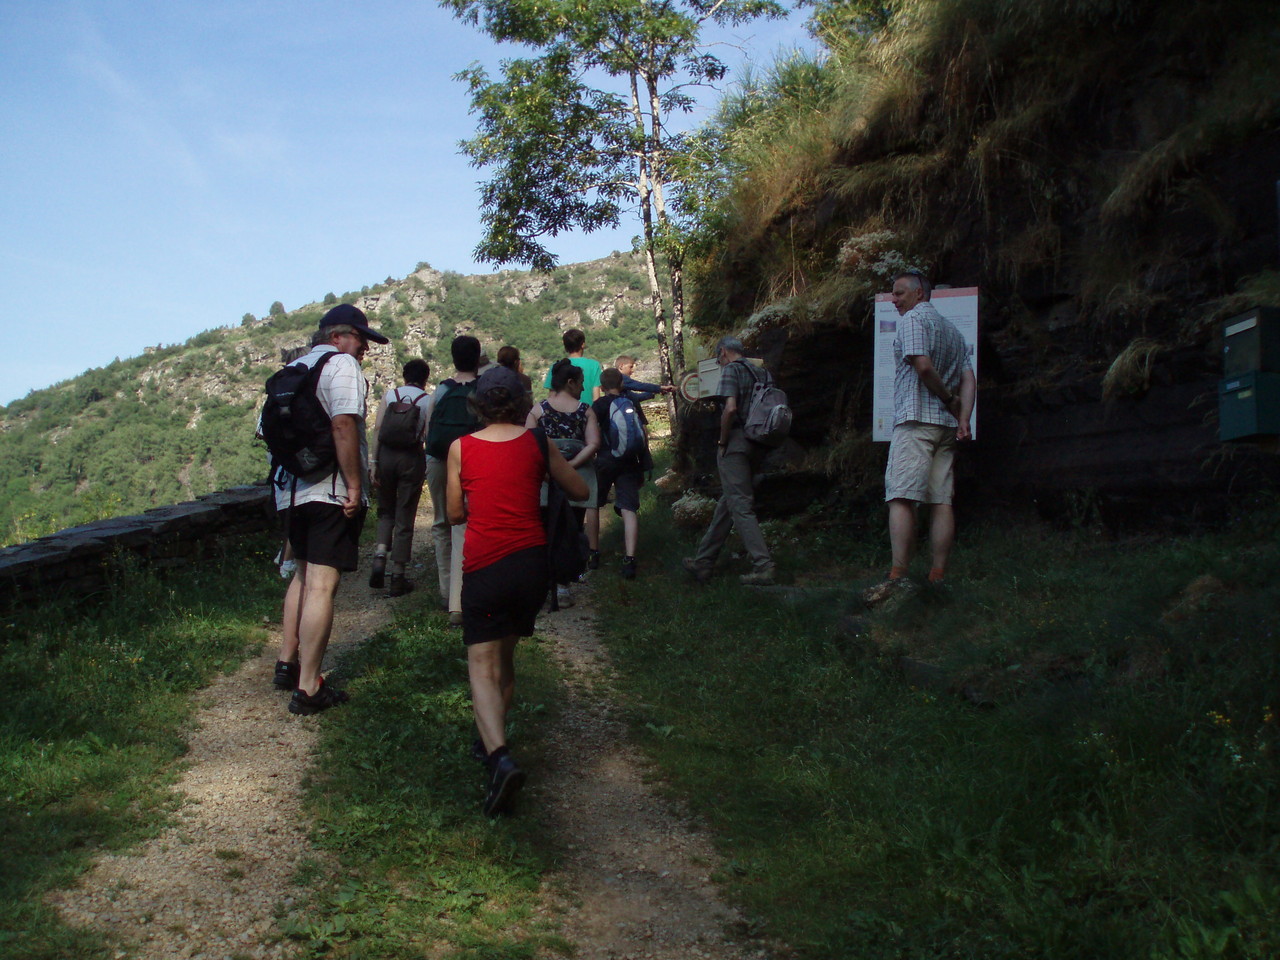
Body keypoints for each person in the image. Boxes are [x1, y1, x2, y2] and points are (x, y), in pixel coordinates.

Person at [446, 365, 587, 816]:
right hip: (530, 566)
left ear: (479, 405)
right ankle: (489, 739)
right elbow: (580, 489)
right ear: (522, 403)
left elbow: (452, 514)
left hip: (486, 565)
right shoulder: (536, 443)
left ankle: (500, 758)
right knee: (505, 659)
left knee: (481, 666)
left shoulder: (460, 449)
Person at [273, 303, 389, 714]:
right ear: (339, 337)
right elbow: (344, 424)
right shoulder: (340, 365)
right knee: (322, 584)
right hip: (329, 491)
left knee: (302, 576)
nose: (365, 351)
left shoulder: (294, 369)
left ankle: (287, 661)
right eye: (361, 341)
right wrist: (355, 484)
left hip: (289, 490)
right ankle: (308, 688)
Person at [883, 271, 975, 584]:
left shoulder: (912, 320)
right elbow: (969, 379)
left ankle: (898, 576)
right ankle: (937, 575)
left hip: (916, 421)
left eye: (898, 293)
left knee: (901, 497)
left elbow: (922, 366)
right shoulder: (954, 332)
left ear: (919, 293)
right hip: (946, 428)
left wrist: (949, 399)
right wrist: (962, 419)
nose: (894, 300)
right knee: (941, 500)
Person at [681, 337, 775, 587]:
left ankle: (763, 565)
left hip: (736, 443)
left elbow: (730, 408)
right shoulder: (761, 372)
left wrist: (722, 441)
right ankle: (704, 562)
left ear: (723, 352)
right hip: (759, 443)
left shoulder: (730, 370)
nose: (719, 361)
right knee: (730, 501)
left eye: (718, 357)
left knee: (741, 506)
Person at [527, 358, 600, 600]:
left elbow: (528, 446)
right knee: (571, 529)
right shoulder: (585, 410)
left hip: (544, 481)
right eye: (580, 383)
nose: (582, 388)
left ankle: (541, 582)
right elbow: (594, 444)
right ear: (570, 383)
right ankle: (563, 584)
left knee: (542, 529)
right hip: (577, 480)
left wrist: (549, 472)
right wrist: (571, 466)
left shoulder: (538, 410)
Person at [424, 336, 481, 626]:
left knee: (441, 522)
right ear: (478, 357)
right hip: (470, 459)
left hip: (438, 460)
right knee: (465, 524)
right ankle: (463, 597)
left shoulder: (442, 389)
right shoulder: (481, 389)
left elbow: (429, 427)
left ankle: (447, 592)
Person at [369, 358, 431, 597]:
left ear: (404, 375)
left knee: (386, 510)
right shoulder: (426, 400)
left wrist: (374, 462)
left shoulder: (390, 394)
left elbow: (377, 430)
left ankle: (379, 557)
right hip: (411, 459)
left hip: (385, 457)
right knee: (405, 514)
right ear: (425, 379)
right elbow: (427, 433)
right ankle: (397, 575)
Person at [592, 367, 651, 579]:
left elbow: (592, 434)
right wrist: (645, 464)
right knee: (628, 509)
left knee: (594, 504)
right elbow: (643, 433)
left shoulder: (598, 405)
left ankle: (594, 553)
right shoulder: (631, 402)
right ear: (622, 383)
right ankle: (630, 559)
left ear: (603, 386)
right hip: (629, 462)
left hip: (606, 461)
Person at [542, 328, 603, 401]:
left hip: (562, 410)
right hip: (586, 410)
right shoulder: (594, 365)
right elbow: (596, 397)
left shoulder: (556, 366)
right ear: (583, 345)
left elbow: (552, 395)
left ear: (565, 346)